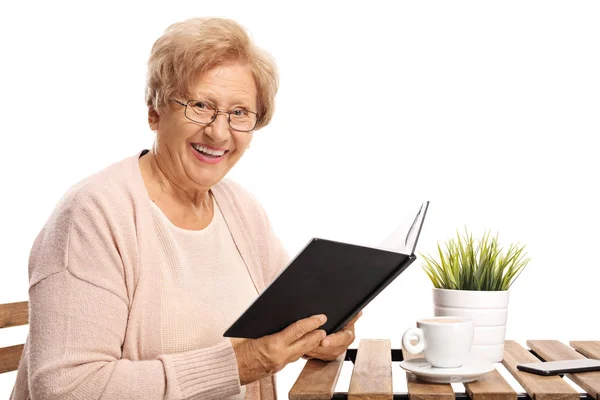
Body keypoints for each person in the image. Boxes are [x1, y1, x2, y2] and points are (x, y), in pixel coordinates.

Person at [10, 17, 360, 400]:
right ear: (155, 112)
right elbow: (65, 389)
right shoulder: (93, 214)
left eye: (239, 112)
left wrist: (323, 333)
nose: (219, 132)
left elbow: (287, 318)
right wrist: (240, 364)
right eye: (200, 106)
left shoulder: (239, 207)